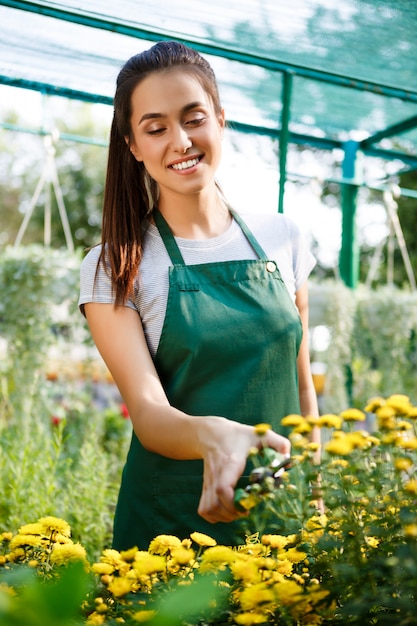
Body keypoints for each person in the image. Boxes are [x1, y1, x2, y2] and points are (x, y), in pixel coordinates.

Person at [78, 40, 319, 551]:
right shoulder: (117, 264)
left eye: (193, 118)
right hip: (170, 531)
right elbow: (149, 416)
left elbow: (301, 391)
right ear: (133, 146)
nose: (181, 141)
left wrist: (315, 498)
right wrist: (219, 435)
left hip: (280, 514)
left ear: (220, 120)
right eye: (156, 127)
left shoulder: (284, 237)